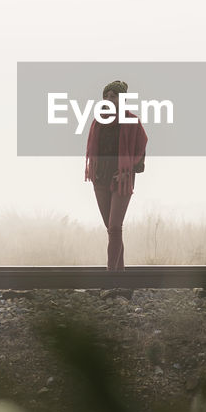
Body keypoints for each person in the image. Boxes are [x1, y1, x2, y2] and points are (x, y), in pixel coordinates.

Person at [84, 79, 147, 271]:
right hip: (100, 181)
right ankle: (120, 276)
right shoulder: (97, 122)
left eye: (114, 96)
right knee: (112, 230)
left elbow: (140, 153)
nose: (109, 99)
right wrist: (94, 173)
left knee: (114, 227)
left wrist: (126, 171)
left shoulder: (133, 122)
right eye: (106, 95)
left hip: (122, 181)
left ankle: (111, 276)